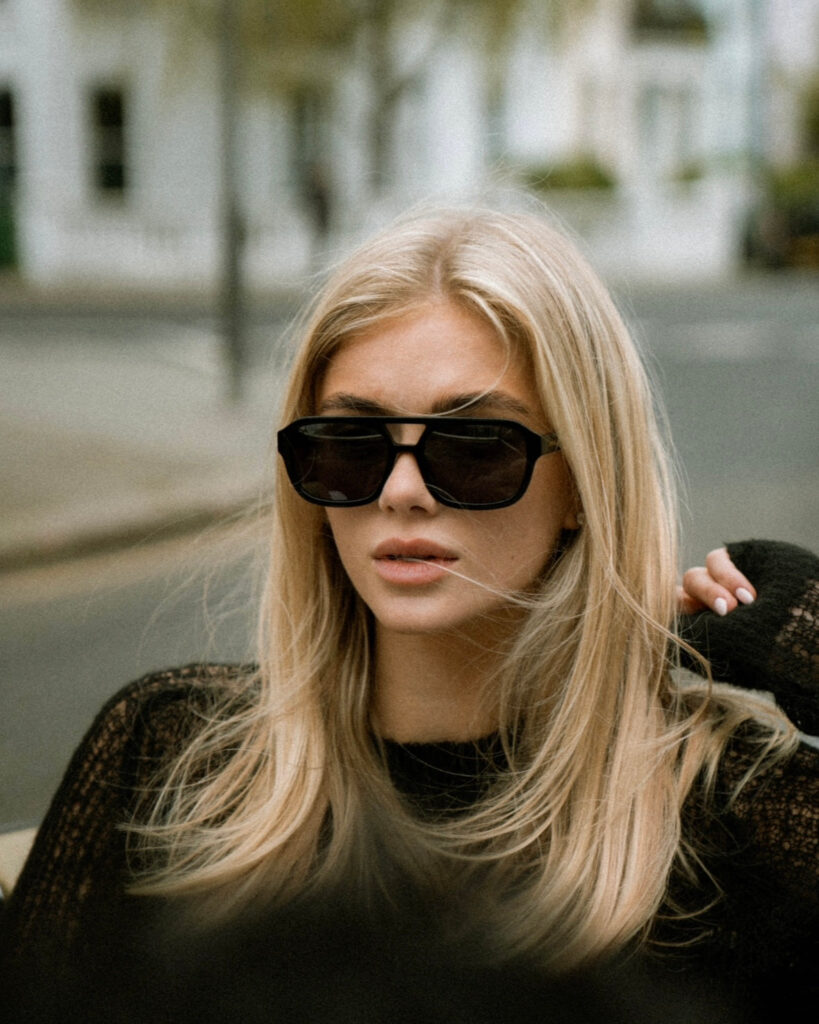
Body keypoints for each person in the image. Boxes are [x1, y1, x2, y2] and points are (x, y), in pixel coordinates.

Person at [2, 207, 817, 1020]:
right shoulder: (173, 757)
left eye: (475, 445)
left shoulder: (735, 810)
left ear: (583, 482)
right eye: (350, 443)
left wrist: (801, 632)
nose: (400, 491)